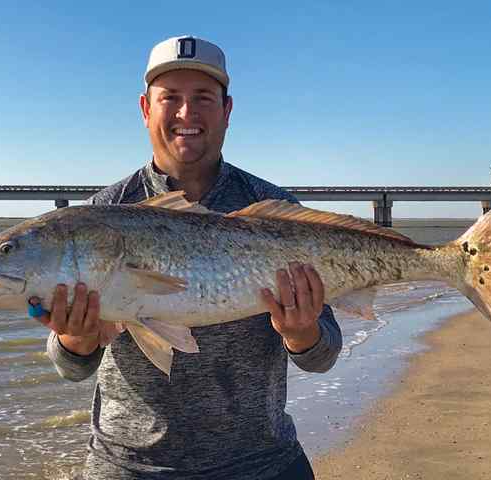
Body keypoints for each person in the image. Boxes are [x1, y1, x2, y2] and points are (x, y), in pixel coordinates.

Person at [33, 36, 343, 480]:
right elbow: (69, 368)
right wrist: (75, 341)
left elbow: (322, 356)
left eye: (202, 98)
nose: (186, 114)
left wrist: (302, 333)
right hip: (126, 468)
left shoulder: (275, 207)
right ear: (145, 108)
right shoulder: (100, 215)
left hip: (264, 464)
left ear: (227, 110)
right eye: (170, 98)